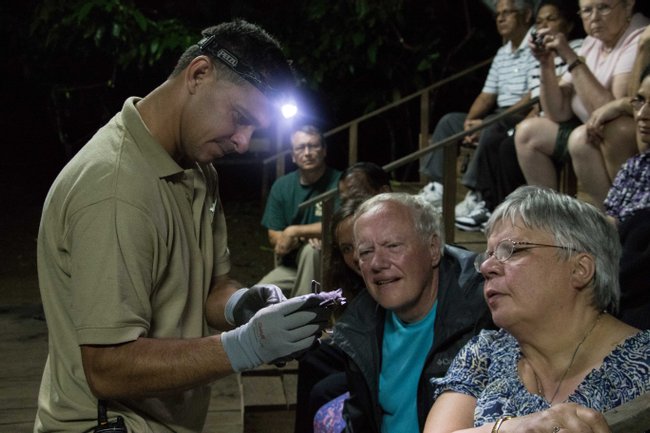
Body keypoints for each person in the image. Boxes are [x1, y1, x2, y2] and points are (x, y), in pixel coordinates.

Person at [34, 20, 331, 433]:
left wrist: (242, 304)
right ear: (198, 74)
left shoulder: (198, 167)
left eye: (254, 130)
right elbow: (107, 367)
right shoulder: (115, 189)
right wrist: (247, 344)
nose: (244, 142)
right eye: (240, 117)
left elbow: (208, 286)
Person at [423, 186, 650, 433]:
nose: (487, 266)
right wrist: (513, 428)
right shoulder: (485, 352)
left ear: (580, 269)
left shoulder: (644, 364)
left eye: (510, 250)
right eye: (487, 255)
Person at [330, 193, 493, 433]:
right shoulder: (358, 326)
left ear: (433, 249)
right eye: (365, 252)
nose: (377, 263)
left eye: (393, 246)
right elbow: (361, 419)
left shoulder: (485, 310)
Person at [515, 0, 649, 209]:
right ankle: (549, 218)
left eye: (603, 7)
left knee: (581, 138)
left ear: (628, 5)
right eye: (587, 10)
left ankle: (611, 221)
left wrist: (569, 56)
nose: (594, 17)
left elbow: (614, 108)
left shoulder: (638, 37)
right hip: (590, 128)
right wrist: (546, 64)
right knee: (527, 133)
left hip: (621, 132)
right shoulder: (592, 42)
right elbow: (557, 112)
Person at [466, 0, 585, 230]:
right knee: (502, 139)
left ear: (569, 25)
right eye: (540, 21)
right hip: (544, 117)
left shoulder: (579, 47)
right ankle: (502, 210)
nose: (545, 26)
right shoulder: (540, 55)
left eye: (551, 19)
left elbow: (554, 96)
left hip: (568, 119)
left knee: (505, 140)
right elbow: (538, 96)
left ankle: (517, 213)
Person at [419, 0, 536, 221]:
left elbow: (532, 97)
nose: (500, 18)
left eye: (507, 13)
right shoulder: (503, 52)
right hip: (497, 113)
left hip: (521, 114)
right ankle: (438, 187)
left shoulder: (536, 45)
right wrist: (470, 122)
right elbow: (486, 95)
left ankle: (477, 194)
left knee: (491, 129)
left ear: (527, 14)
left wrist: (485, 124)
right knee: (449, 122)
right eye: (498, 14)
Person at [295, 198, 367, 433]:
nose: (355, 255)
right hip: (361, 350)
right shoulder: (351, 279)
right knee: (312, 356)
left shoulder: (386, 270)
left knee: (323, 391)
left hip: (383, 359)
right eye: (346, 248)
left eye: (359, 243)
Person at [594, 63, 650, 329]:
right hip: (614, 290)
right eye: (639, 102)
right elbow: (608, 226)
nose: (643, 115)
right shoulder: (636, 166)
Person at [258, 124, 342, 297]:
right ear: (293, 156)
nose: (307, 152)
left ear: (324, 150)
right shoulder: (282, 186)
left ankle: (304, 317)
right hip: (292, 267)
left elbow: (342, 224)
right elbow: (274, 235)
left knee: (311, 251)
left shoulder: (340, 182)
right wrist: (297, 239)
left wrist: (294, 231)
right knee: (258, 295)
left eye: (313, 146)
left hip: (332, 266)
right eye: (300, 147)